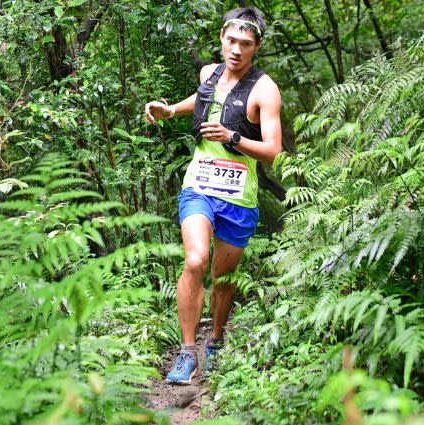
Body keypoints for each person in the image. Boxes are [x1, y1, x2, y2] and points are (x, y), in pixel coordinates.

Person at [144, 7, 282, 384]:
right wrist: (171, 109)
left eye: (246, 44)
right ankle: (187, 352)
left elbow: (273, 149)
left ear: (256, 47)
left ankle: (216, 341)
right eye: (232, 41)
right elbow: (204, 98)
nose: (237, 50)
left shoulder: (264, 89)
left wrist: (233, 137)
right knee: (195, 260)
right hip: (200, 185)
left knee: (223, 277)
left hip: (239, 195)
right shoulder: (209, 73)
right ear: (222, 37)